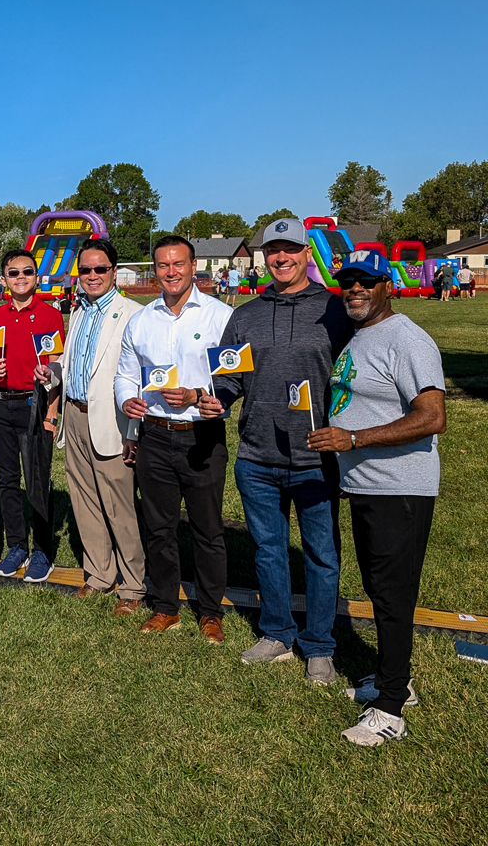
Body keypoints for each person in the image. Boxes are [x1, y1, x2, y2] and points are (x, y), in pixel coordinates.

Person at [307, 250, 447, 746]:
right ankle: (395, 680)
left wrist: (354, 439)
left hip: (399, 487)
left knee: (392, 596)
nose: (355, 289)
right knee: (379, 589)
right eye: (348, 282)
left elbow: (432, 417)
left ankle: (390, 709)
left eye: (367, 281)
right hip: (367, 485)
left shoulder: (407, 338)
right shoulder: (362, 335)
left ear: (389, 285)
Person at [212, 219, 352, 682]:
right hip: (257, 457)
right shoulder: (245, 315)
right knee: (268, 550)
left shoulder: (336, 310)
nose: (281, 257)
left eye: (291, 248)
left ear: (307, 254)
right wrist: (218, 399)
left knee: (321, 555)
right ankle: (276, 633)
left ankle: (319, 645)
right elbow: (230, 376)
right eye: (273, 249)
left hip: (316, 457)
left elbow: (354, 378)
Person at [116, 236, 233, 642]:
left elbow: (234, 377)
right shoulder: (142, 320)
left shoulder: (220, 316)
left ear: (193, 265)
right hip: (155, 435)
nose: (171, 272)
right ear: (155, 270)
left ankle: (210, 612)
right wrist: (126, 399)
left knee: (207, 529)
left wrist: (201, 397)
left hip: (201, 436)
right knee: (159, 528)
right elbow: (125, 373)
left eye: (178, 264)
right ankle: (166, 607)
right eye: (163, 265)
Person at [37, 239, 145, 610]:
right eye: (86, 269)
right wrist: (52, 372)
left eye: (100, 269)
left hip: (113, 421)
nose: (93, 275)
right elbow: (73, 362)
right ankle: (99, 575)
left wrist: (134, 431)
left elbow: (138, 378)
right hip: (75, 415)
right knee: (84, 502)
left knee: (119, 506)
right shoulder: (79, 310)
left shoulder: (132, 313)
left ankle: (133, 585)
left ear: (114, 271)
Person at [0, 249, 64, 582]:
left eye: (27, 272)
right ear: (3, 279)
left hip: (34, 405)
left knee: (38, 480)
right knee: (8, 479)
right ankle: (17, 545)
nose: (20, 278)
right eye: (13, 273)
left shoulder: (50, 315)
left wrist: (52, 414)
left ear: (36, 277)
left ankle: (42, 550)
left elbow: (57, 367)